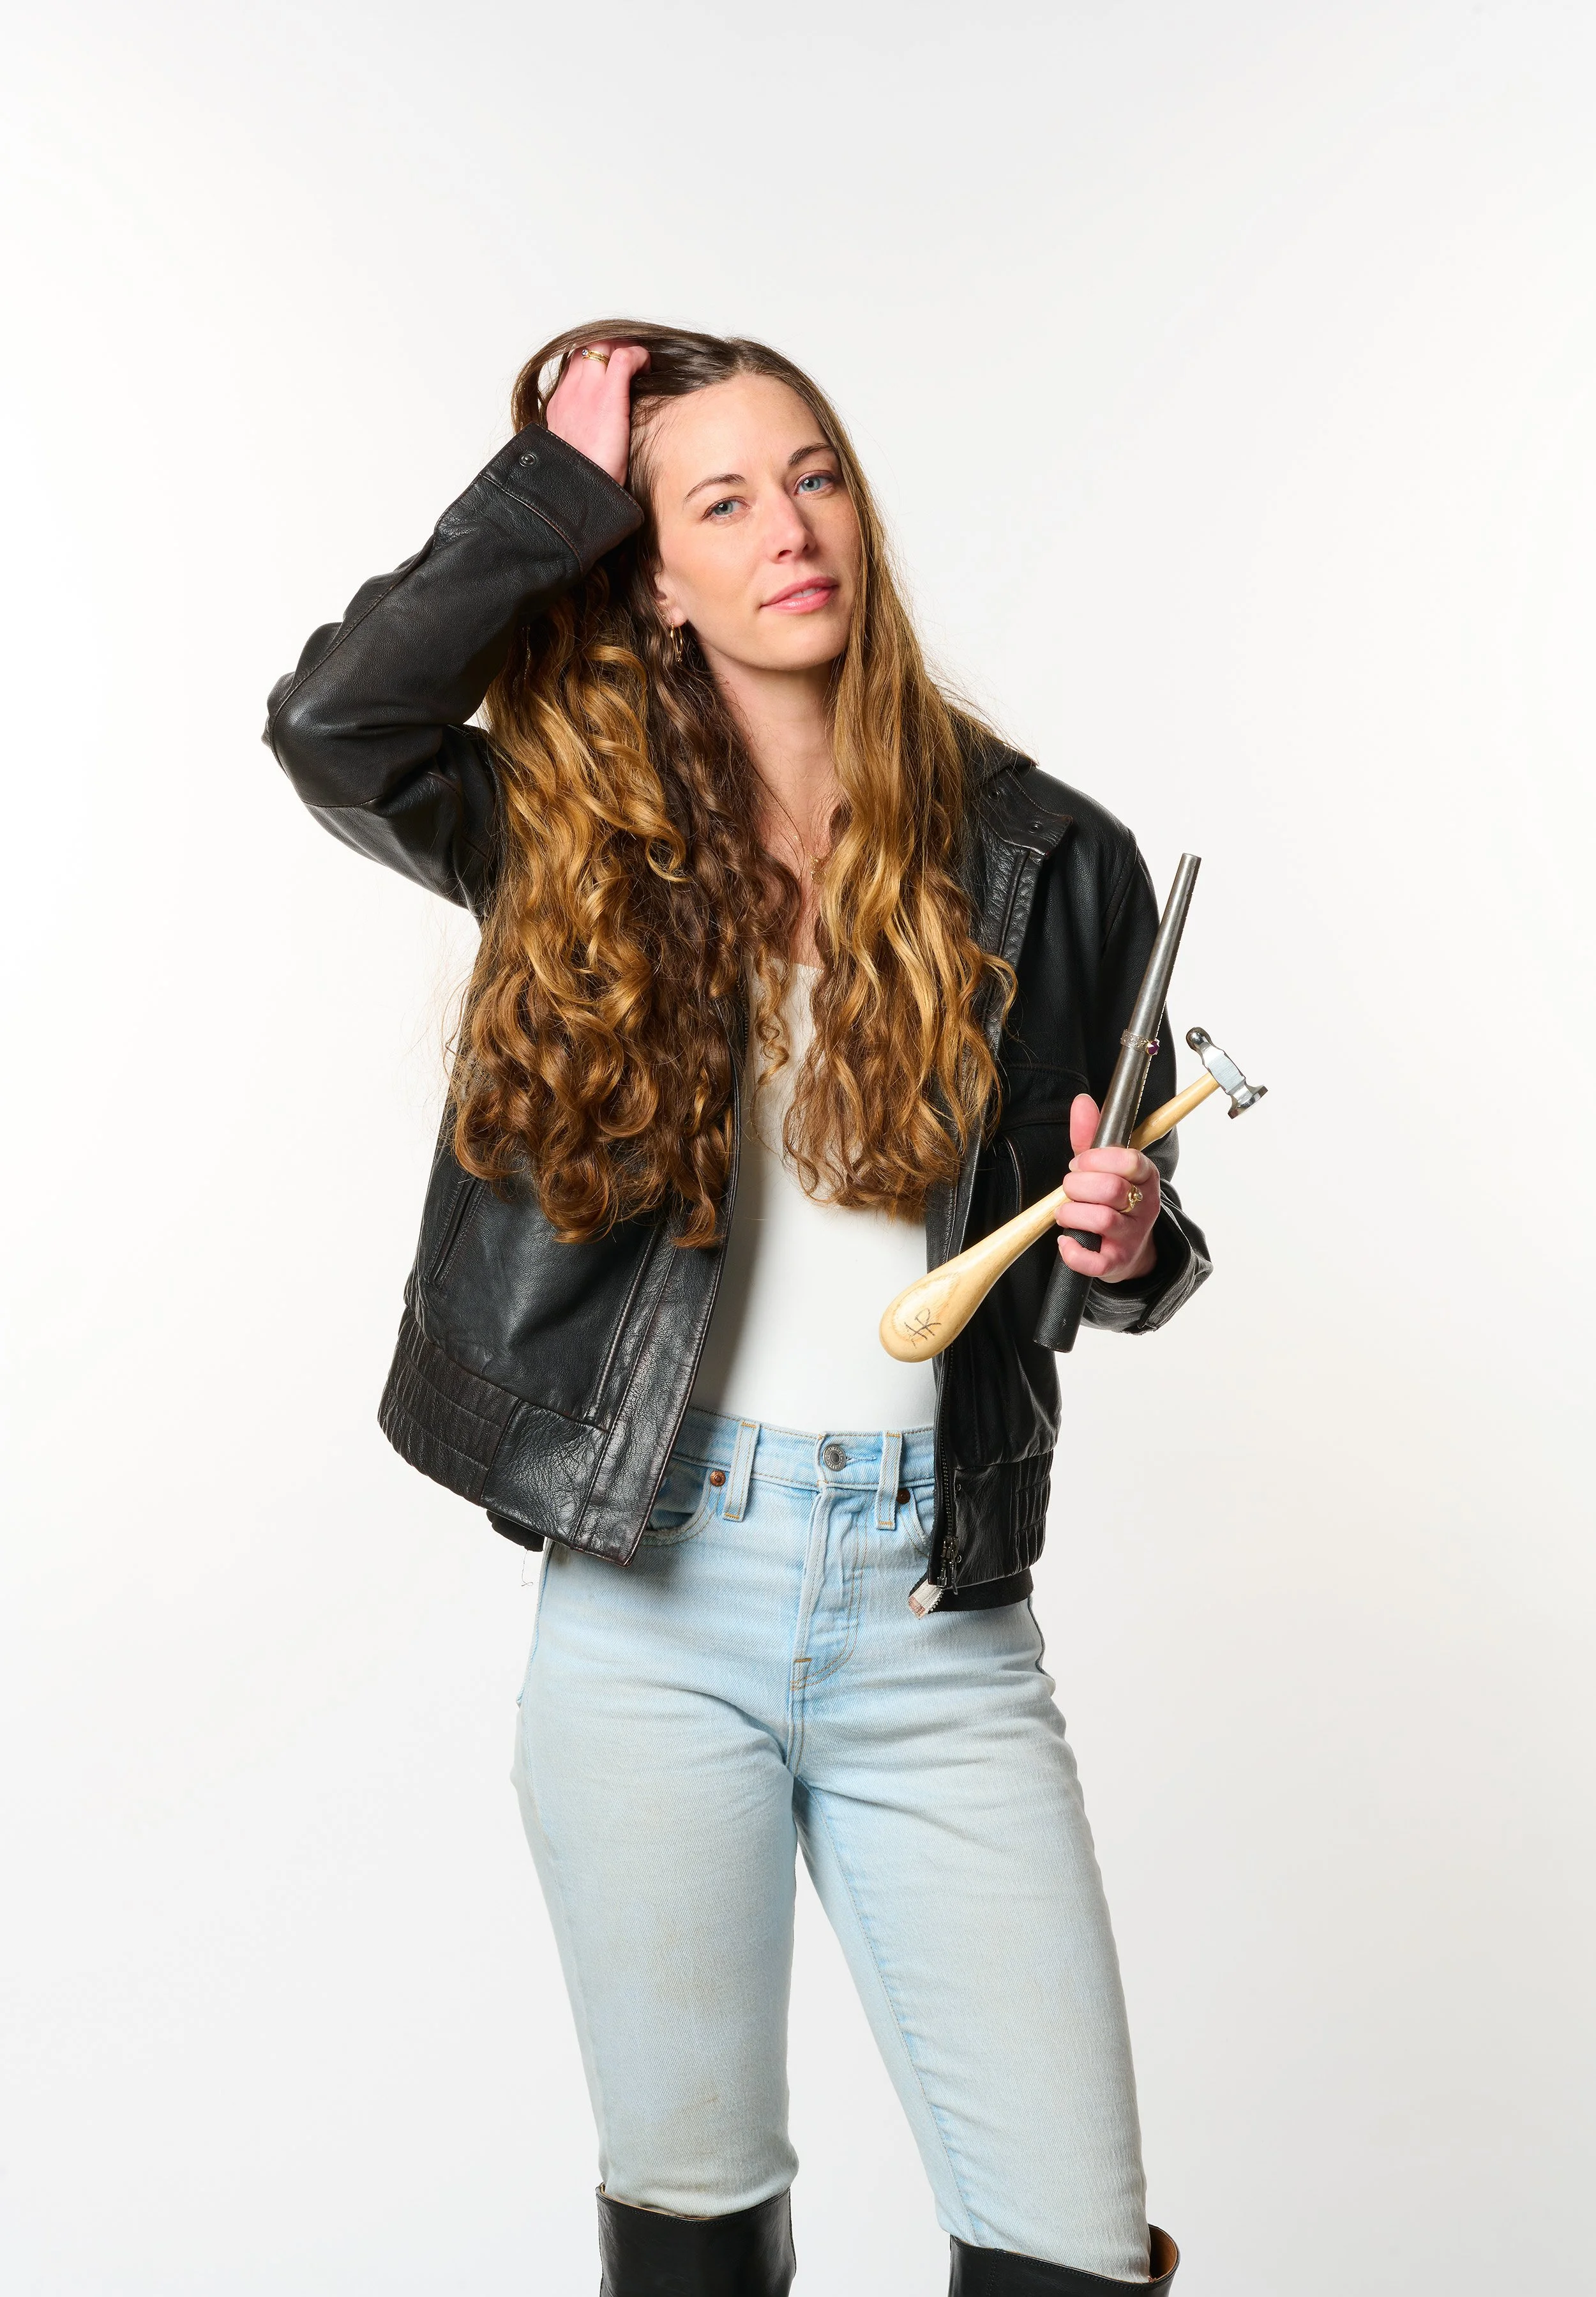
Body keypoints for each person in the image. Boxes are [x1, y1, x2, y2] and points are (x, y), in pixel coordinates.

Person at [265, 322, 1210, 2296]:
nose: (790, 527)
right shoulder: (570, 839)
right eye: (719, 500)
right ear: (649, 575)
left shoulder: (1053, 860)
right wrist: (538, 496)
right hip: (649, 1602)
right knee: (688, 2223)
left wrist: (1121, 1245)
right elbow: (336, 729)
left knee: (1065, 2244)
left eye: (815, 475)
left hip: (935, 1623)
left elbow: (1119, 1243)